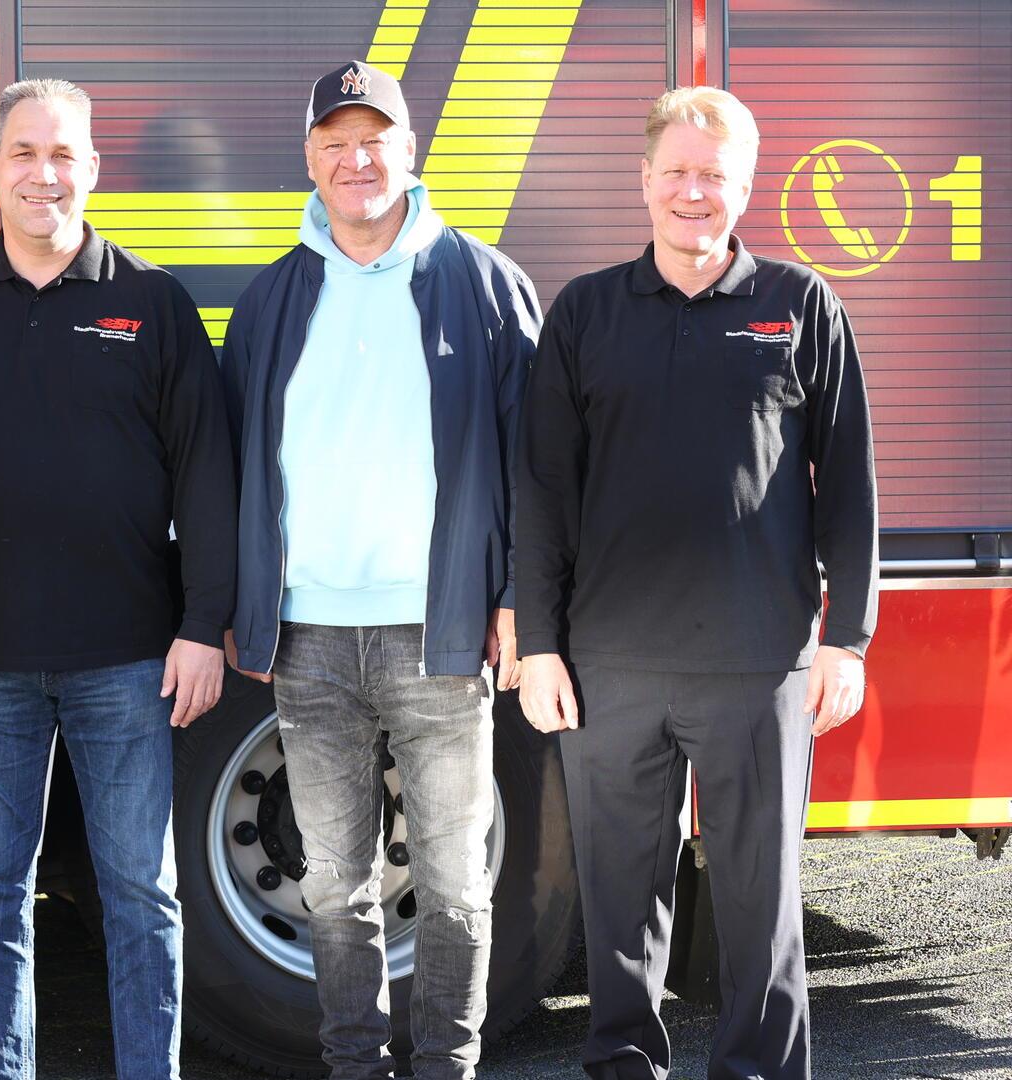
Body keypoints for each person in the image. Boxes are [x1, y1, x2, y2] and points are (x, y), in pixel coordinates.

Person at [0, 79, 237, 1080]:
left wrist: (204, 625)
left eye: (63, 153)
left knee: (140, 892)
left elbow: (208, 473)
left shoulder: (153, 305)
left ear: (94, 168)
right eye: (23, 152)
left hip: (129, 660)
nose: (44, 173)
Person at [515, 86, 877, 1080]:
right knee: (619, 910)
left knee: (761, 912)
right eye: (674, 173)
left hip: (757, 665)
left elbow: (848, 485)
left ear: (745, 185)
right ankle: (624, 1064)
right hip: (610, 668)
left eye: (711, 176)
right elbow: (543, 492)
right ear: (642, 182)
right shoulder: (585, 314)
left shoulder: (801, 307)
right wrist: (540, 642)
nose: (691, 193)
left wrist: (847, 639)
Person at [220, 61, 540, 1080]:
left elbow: (537, 462)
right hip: (308, 640)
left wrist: (517, 598)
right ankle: (353, 1065)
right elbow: (235, 465)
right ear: (309, 160)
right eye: (334, 144)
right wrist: (243, 609)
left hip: (439, 638)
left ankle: (447, 1066)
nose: (356, 160)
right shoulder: (270, 300)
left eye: (375, 140)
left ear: (411, 151)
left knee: (453, 885)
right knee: (335, 888)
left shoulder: (485, 283)